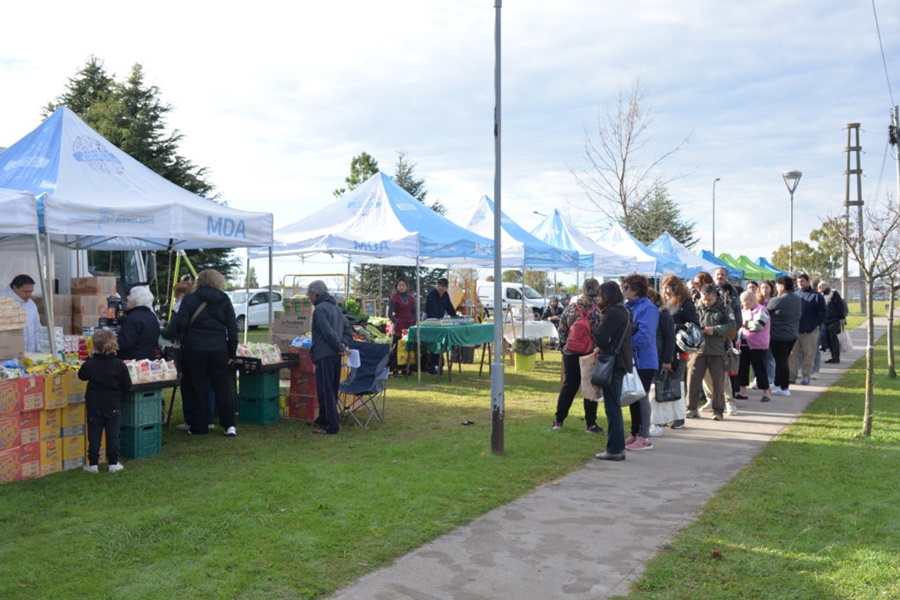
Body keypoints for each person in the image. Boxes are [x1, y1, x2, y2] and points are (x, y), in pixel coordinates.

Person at [174, 269, 239, 437]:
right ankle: (229, 425)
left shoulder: (190, 299)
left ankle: (200, 426)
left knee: (198, 387)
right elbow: (232, 328)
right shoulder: (224, 299)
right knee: (222, 387)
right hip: (218, 348)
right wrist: (231, 352)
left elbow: (180, 324)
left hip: (194, 348)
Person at [552, 278, 604, 433]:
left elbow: (561, 330)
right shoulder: (598, 310)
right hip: (590, 353)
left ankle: (558, 420)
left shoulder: (570, 308)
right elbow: (601, 333)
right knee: (590, 388)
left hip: (571, 352)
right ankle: (591, 424)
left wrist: (564, 348)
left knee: (569, 386)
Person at [78, 329, 131, 473]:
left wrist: (89, 358)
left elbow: (81, 375)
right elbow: (127, 385)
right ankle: (113, 463)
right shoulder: (119, 364)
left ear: (94, 346)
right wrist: (121, 394)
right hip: (113, 404)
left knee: (94, 436)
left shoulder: (91, 364)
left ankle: (93, 464)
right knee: (113, 435)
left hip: (94, 405)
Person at [592, 281, 633, 461]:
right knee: (613, 405)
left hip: (613, 363)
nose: (598, 299)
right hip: (620, 361)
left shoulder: (613, 312)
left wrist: (595, 328)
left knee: (612, 407)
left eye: (600, 295)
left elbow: (600, 337)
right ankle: (618, 448)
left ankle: (614, 448)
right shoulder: (623, 310)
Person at [307, 280, 353, 435]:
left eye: (309, 294)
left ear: (316, 294)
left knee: (325, 390)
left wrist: (341, 346)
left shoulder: (320, 310)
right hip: (334, 355)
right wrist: (344, 345)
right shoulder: (335, 308)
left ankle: (331, 426)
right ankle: (324, 418)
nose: (309, 298)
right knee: (331, 389)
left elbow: (327, 332)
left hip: (325, 354)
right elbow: (347, 329)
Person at [685, 284, 735, 421]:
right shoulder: (695, 308)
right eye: (704, 299)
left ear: (715, 296)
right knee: (693, 381)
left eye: (710, 299)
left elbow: (731, 326)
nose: (707, 302)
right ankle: (691, 408)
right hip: (698, 351)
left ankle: (718, 411)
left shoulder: (725, 309)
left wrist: (714, 330)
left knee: (718, 383)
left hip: (717, 351)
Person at [622, 274, 658, 451]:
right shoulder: (628, 306)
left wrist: (626, 346)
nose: (624, 290)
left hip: (644, 360)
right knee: (632, 397)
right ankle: (635, 433)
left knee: (641, 397)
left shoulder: (648, 308)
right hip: (632, 358)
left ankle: (645, 436)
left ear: (636, 289)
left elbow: (645, 335)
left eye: (626, 287)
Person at [659, 275, 699, 430]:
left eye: (667, 287)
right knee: (664, 383)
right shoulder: (666, 303)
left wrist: (676, 327)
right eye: (663, 287)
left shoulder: (686, 304)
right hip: (666, 348)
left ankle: (679, 417)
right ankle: (665, 416)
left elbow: (694, 324)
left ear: (675, 287)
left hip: (678, 349)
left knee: (677, 383)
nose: (664, 291)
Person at [789, 273, 827, 386]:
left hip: (810, 331)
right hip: (795, 331)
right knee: (792, 355)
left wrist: (813, 326)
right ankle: (792, 376)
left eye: (802, 281)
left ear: (808, 281)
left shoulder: (816, 296)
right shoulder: (794, 295)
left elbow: (823, 314)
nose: (800, 284)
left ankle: (806, 376)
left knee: (809, 355)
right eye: (798, 282)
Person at [767, 275, 801, 396]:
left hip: (778, 335)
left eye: (777, 285)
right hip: (792, 334)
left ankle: (784, 387)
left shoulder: (776, 300)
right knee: (782, 360)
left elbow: (766, 313)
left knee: (781, 362)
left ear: (782, 286)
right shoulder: (797, 299)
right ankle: (777, 384)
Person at [647, 288, 675, 437]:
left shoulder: (663, 314)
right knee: (650, 392)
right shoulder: (651, 313)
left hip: (658, 357)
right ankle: (653, 421)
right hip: (650, 357)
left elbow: (670, 337)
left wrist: (667, 360)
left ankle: (657, 422)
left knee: (656, 392)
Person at [736, 290, 772, 402]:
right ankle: (743, 391)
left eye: (744, 302)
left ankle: (766, 392)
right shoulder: (744, 310)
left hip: (758, 345)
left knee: (759, 368)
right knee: (742, 367)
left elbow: (759, 325)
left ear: (751, 300)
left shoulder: (761, 310)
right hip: (744, 343)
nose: (742, 304)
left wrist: (744, 324)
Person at [117, 285, 161, 361]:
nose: (127, 299)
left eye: (129, 298)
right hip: (149, 358)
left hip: (133, 361)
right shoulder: (153, 317)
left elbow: (125, 343)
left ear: (134, 301)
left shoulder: (131, 318)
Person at [423, 277, 457, 374]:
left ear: (446, 288)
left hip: (438, 322)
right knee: (433, 345)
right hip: (429, 322)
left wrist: (456, 317)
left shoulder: (445, 295)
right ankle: (431, 367)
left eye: (442, 286)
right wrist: (439, 322)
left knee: (439, 345)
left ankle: (438, 365)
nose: (440, 288)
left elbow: (449, 308)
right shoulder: (432, 294)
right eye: (439, 285)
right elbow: (433, 311)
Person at [2, 274, 41, 352]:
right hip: (8, 358)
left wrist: (39, 351)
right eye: (26, 292)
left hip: (30, 356)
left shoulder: (31, 304)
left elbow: (37, 330)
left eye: (31, 291)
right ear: (15, 288)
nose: (29, 295)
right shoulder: (3, 302)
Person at [387, 277, 417, 376]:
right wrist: (396, 322)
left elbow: (414, 312)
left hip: (409, 325)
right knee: (396, 347)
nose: (401, 287)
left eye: (403, 285)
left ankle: (406, 368)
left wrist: (414, 321)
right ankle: (395, 369)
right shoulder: (393, 298)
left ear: (406, 286)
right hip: (397, 325)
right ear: (397, 286)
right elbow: (389, 313)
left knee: (408, 346)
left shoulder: (411, 298)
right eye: (399, 285)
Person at [818, 280, 847, 363]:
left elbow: (839, 306)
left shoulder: (833, 294)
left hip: (834, 319)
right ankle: (832, 355)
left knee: (833, 337)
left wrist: (842, 317)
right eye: (818, 287)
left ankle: (836, 356)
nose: (819, 288)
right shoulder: (820, 295)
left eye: (821, 286)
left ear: (825, 286)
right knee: (826, 338)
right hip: (824, 321)